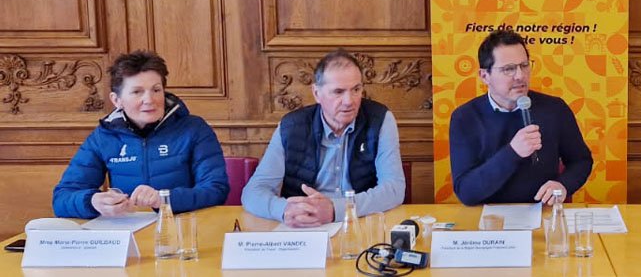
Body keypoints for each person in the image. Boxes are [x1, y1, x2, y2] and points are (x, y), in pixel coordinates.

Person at [53, 52, 229, 218]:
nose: (149, 100)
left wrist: (164, 199)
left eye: (156, 90)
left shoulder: (194, 129)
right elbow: (62, 198)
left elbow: (216, 190)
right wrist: (92, 202)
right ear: (117, 100)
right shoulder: (103, 136)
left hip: (183, 228)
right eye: (137, 92)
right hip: (127, 229)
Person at [242, 49, 404, 226]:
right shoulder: (292, 126)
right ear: (316, 93)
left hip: (359, 222)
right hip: (305, 224)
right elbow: (253, 191)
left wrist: (336, 210)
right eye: (338, 92)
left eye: (356, 89)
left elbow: (394, 189)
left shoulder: (379, 120)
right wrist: (284, 210)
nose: (349, 101)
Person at [449, 30, 593, 205]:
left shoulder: (555, 109)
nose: (520, 76)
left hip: (542, 211)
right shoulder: (465, 117)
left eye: (524, 65)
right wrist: (513, 152)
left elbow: (581, 161)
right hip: (489, 216)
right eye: (508, 69)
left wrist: (563, 185)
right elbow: (466, 192)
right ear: (485, 76)